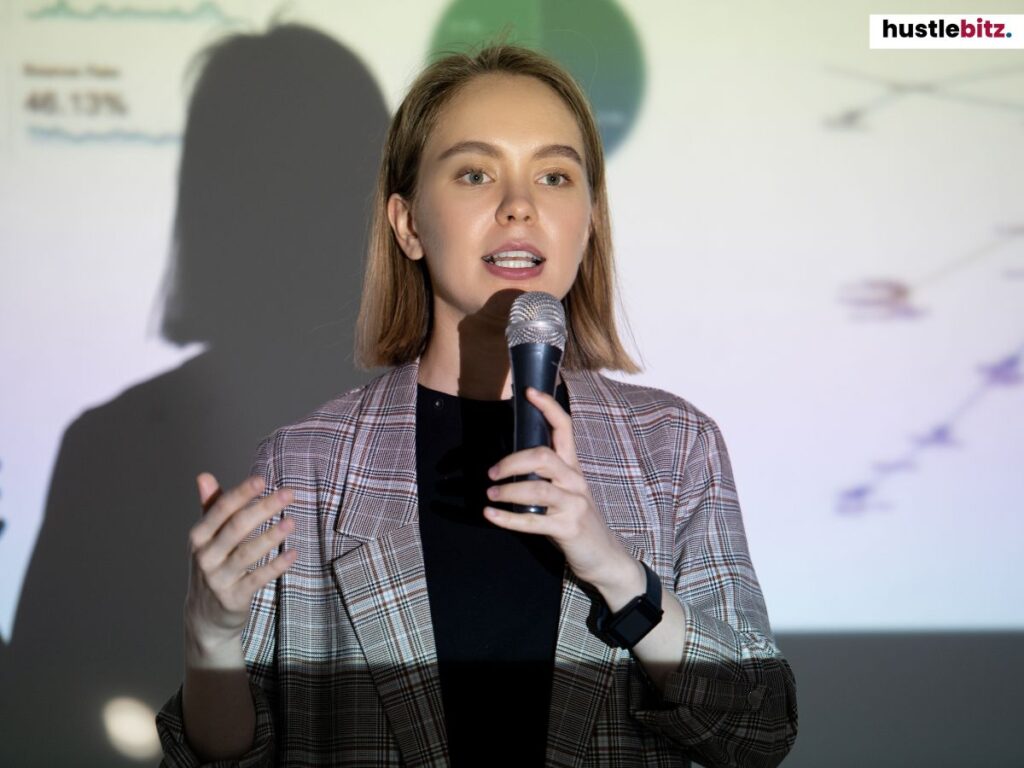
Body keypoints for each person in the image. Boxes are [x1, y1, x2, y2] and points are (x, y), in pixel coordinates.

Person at [157, 44, 798, 767]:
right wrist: (208, 636)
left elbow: (757, 732)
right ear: (407, 225)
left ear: (588, 222)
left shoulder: (673, 447)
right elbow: (228, 760)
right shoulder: (307, 465)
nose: (520, 204)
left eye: (555, 176)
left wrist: (619, 574)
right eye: (475, 173)